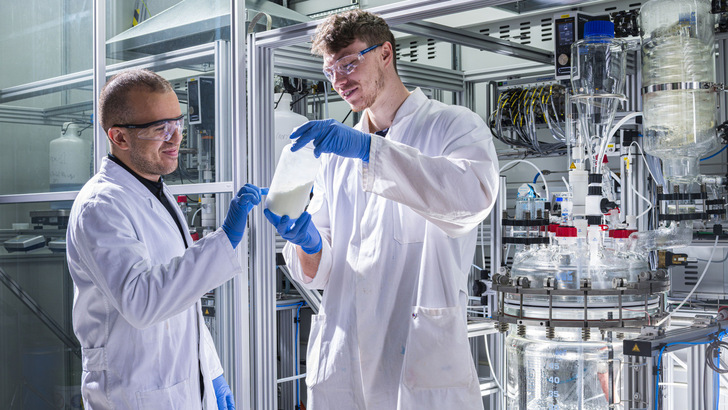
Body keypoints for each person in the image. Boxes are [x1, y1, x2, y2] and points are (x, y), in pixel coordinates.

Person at [263, 9, 499, 410]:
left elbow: (472, 198)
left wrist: (371, 151)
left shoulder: (453, 126)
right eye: (330, 71)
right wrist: (307, 242)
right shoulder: (336, 156)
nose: (339, 80)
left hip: (418, 354)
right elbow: (322, 266)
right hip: (345, 354)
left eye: (349, 62)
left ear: (385, 53)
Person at [66, 68, 265, 409]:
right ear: (120, 137)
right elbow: (142, 302)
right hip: (132, 394)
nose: (176, 138)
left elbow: (180, 299)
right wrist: (224, 242)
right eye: (161, 129)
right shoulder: (101, 207)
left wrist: (211, 372)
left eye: (178, 122)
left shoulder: (155, 190)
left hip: (181, 386)